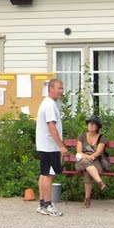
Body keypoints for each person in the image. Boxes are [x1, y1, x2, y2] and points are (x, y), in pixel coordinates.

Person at [35, 78, 68, 216]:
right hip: (49, 146)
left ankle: (42, 203)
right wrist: (61, 146)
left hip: (45, 145)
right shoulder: (49, 105)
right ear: (51, 89)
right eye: (59, 88)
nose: (61, 91)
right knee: (49, 175)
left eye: (62, 88)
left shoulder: (48, 103)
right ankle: (48, 205)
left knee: (44, 174)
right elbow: (52, 126)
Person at [74, 116, 109, 208]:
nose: (91, 125)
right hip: (82, 160)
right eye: (89, 123)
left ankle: (87, 200)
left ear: (97, 127)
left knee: (88, 172)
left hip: (95, 160)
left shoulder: (101, 137)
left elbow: (99, 152)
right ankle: (100, 182)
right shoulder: (82, 136)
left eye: (93, 124)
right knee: (85, 163)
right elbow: (79, 151)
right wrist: (87, 156)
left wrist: (91, 156)